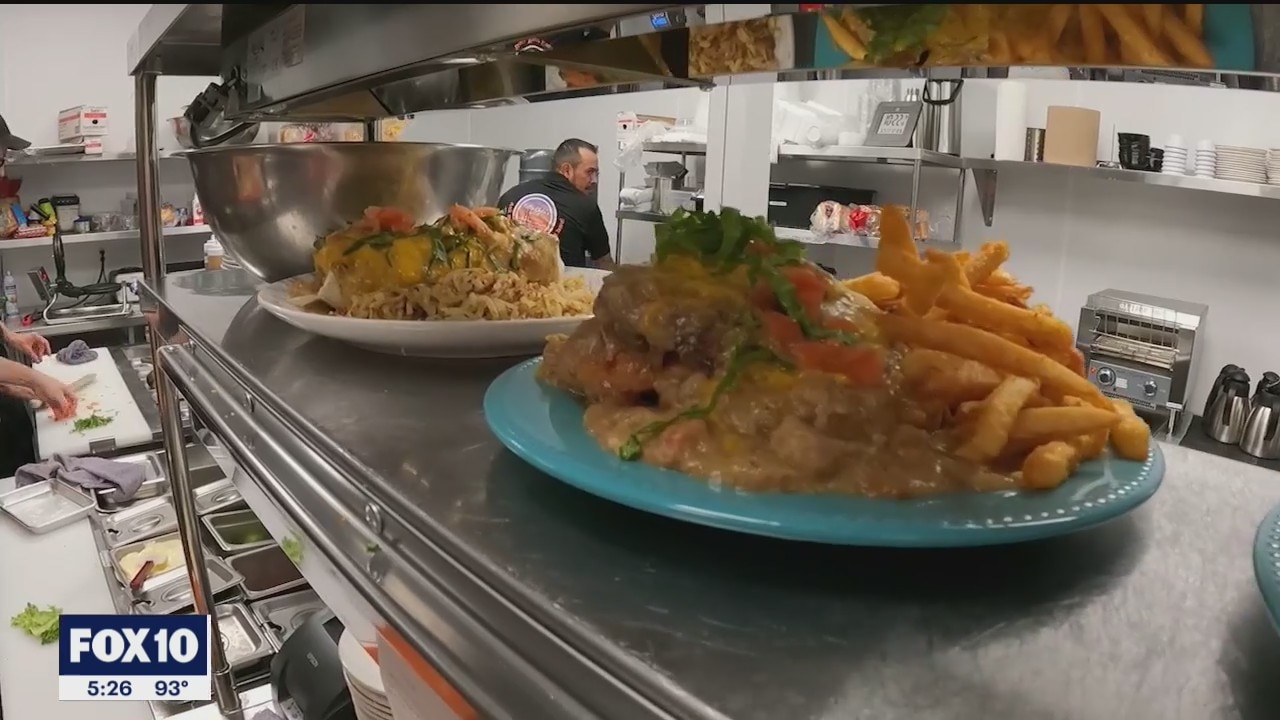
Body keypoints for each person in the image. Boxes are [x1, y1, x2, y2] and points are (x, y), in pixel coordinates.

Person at [498, 139, 617, 270]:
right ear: (567, 170)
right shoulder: (586, 207)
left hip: (507, 280)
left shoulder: (510, 195)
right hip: (560, 281)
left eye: (596, 174)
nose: (594, 180)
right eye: (589, 172)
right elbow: (604, 263)